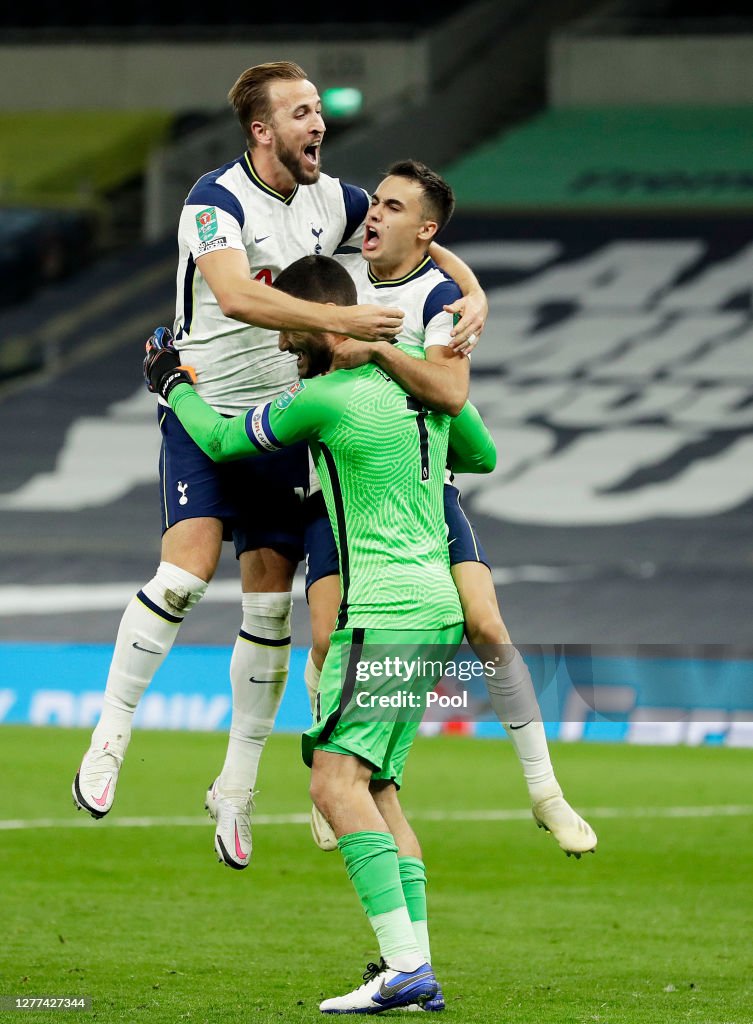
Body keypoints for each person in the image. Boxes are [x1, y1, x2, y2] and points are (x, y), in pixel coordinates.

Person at [71, 60, 487, 873]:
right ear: (261, 131)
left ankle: (235, 787)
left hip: (280, 426)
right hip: (204, 404)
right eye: (300, 113)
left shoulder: (335, 200)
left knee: (270, 611)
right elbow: (237, 297)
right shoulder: (214, 200)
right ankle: (110, 732)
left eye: (318, 111)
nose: (318, 125)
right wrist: (342, 317)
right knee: (185, 575)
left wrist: (476, 297)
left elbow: (428, 242)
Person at [142, 254, 494, 1013]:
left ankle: (403, 968)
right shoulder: (418, 384)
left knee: (334, 782)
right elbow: (482, 454)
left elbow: (226, 442)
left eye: (289, 325)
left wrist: (173, 386)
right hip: (437, 608)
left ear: (316, 325)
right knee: (380, 789)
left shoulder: (324, 399)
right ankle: (415, 960)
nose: (278, 341)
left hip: (382, 611)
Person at [299, 159, 597, 859]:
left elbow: (447, 391)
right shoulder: (340, 267)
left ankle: (544, 791)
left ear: (425, 230)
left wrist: (465, 292)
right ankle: (331, 782)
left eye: (394, 208)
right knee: (322, 640)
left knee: (486, 623)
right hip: (340, 483)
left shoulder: (436, 298)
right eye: (375, 201)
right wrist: (476, 285)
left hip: (420, 489)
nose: (373, 214)